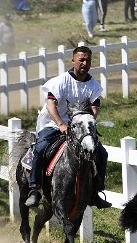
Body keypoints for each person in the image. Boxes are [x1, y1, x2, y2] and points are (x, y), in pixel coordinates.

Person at [24, 46, 111, 209]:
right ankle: (34, 189)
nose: (85, 63)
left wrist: (85, 123)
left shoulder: (94, 85)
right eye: (81, 60)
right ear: (73, 60)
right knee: (41, 147)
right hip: (54, 124)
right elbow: (50, 104)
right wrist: (61, 124)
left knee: (101, 153)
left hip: (79, 129)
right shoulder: (61, 81)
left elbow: (94, 109)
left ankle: (96, 191)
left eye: (88, 60)